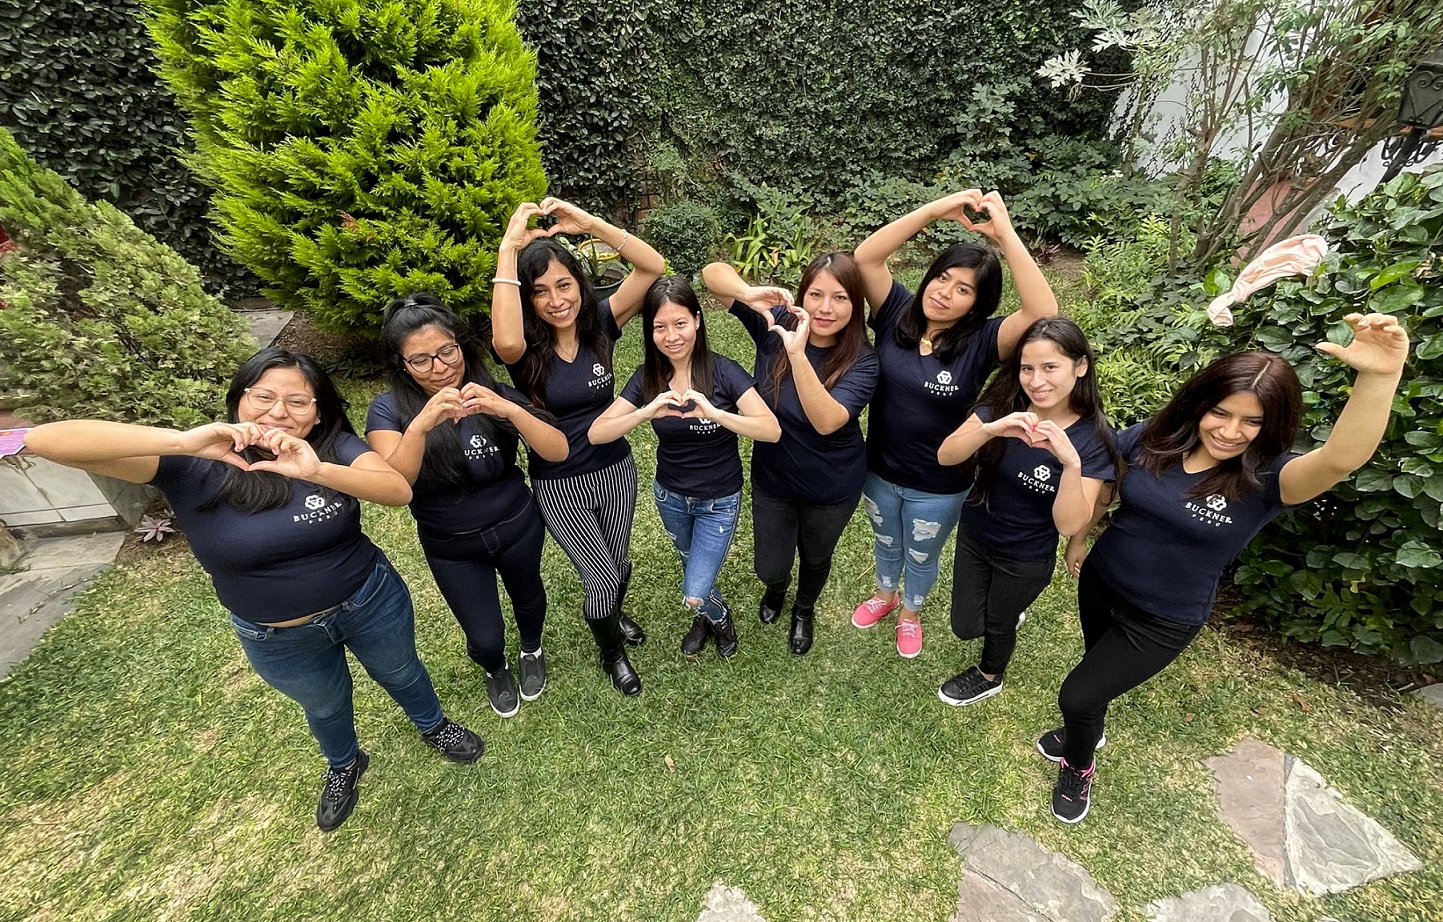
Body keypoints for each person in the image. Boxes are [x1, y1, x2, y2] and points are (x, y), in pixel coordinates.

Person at [22, 348, 485, 833]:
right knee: (324, 702)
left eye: (297, 402)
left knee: (402, 670)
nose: (279, 412)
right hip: (277, 635)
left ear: (319, 411)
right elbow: (46, 440)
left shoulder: (334, 447)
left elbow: (397, 491)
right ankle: (344, 762)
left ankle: (433, 725)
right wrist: (182, 441)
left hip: (369, 600)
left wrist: (316, 471)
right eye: (263, 396)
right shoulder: (191, 464)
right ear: (239, 400)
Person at [1044, 314, 1409, 824]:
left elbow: (1339, 459)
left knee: (1077, 693)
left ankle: (1079, 762)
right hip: (1103, 582)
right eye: (1221, 413)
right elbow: (1105, 486)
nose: (1232, 431)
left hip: (1164, 618)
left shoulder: (1271, 479)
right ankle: (1089, 724)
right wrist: (1080, 540)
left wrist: (1380, 376)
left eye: (1253, 421)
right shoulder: (1155, 438)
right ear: (1199, 404)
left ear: (1272, 425)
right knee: (1094, 676)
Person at [853, 189, 1060, 657]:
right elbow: (866, 257)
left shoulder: (985, 340)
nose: (944, 293)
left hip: (940, 482)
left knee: (922, 555)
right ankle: (885, 595)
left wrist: (1005, 233)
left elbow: (1043, 314)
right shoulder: (896, 314)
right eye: (942, 279)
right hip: (879, 470)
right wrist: (931, 210)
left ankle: (910, 611)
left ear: (977, 303)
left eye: (962, 289)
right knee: (886, 542)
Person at [491, 198, 666, 697]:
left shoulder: (601, 328)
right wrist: (509, 249)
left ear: (580, 285)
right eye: (540, 291)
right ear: (527, 299)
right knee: (602, 575)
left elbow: (652, 267)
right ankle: (613, 653)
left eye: (564, 285)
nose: (555, 300)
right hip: (559, 481)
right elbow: (503, 339)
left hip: (615, 468)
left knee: (619, 559)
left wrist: (589, 224)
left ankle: (612, 616)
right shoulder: (522, 350)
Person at [368, 294, 569, 718]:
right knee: (485, 636)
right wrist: (421, 425)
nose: (440, 368)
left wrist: (508, 409)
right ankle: (496, 667)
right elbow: (395, 483)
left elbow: (557, 451)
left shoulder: (489, 391)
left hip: (518, 524)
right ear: (402, 365)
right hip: (452, 544)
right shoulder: (388, 409)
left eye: (447, 351)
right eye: (421, 360)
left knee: (529, 596)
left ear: (461, 346)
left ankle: (532, 649)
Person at [589, 277, 781, 657]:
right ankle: (713, 619)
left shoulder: (724, 372)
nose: (670, 336)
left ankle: (713, 614)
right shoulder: (648, 377)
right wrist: (646, 411)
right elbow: (598, 433)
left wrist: (715, 413)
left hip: (718, 500)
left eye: (680, 323)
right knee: (690, 562)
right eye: (659, 327)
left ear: (697, 320)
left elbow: (770, 429)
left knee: (694, 590)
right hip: (671, 497)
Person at [701, 253, 879, 655]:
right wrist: (748, 293)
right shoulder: (776, 324)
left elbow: (827, 420)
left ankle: (803, 609)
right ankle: (777, 588)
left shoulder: (863, 360)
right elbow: (712, 275)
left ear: (856, 305)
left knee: (816, 557)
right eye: (816, 294)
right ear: (802, 295)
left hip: (832, 483)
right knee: (769, 565)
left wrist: (797, 355)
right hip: (774, 477)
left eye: (840, 298)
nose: (826, 308)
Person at [935, 318, 1117, 706]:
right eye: (1027, 368)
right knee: (966, 625)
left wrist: (1071, 464)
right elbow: (946, 455)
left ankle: (990, 674)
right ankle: (1008, 612)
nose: (1037, 380)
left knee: (998, 623)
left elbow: (1069, 524)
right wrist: (990, 429)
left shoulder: (1094, 439)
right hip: (976, 534)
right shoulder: (1003, 406)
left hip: (1025, 556)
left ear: (1080, 367)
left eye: (1050, 367)